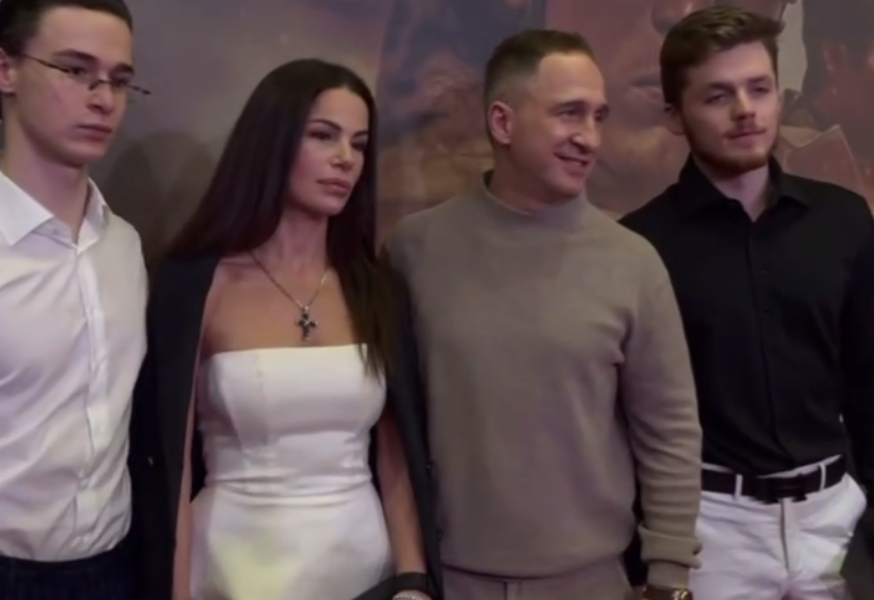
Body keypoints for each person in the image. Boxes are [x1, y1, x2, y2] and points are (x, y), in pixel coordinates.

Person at [382, 29, 702, 600]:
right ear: (502, 123)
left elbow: (670, 431)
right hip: (449, 580)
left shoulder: (633, 262)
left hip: (593, 583)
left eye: (598, 117)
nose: (590, 138)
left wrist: (670, 578)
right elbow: (391, 431)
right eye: (569, 113)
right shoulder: (414, 250)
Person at [129, 58, 442, 600]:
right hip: (233, 568)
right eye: (323, 136)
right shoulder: (196, 284)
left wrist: (413, 583)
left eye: (359, 144)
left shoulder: (375, 287)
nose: (345, 159)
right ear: (272, 143)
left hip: (364, 569)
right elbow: (169, 473)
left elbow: (396, 457)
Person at [620, 6, 873, 600]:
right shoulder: (638, 246)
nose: (745, 110)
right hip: (711, 530)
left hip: (836, 519)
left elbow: (868, 381)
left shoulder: (843, 219)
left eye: (759, 88)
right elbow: (628, 423)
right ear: (674, 115)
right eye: (718, 96)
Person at [0, 0, 148, 598]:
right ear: (7, 70)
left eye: (120, 79)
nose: (103, 98)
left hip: (116, 565)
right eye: (75, 70)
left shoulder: (125, 245)